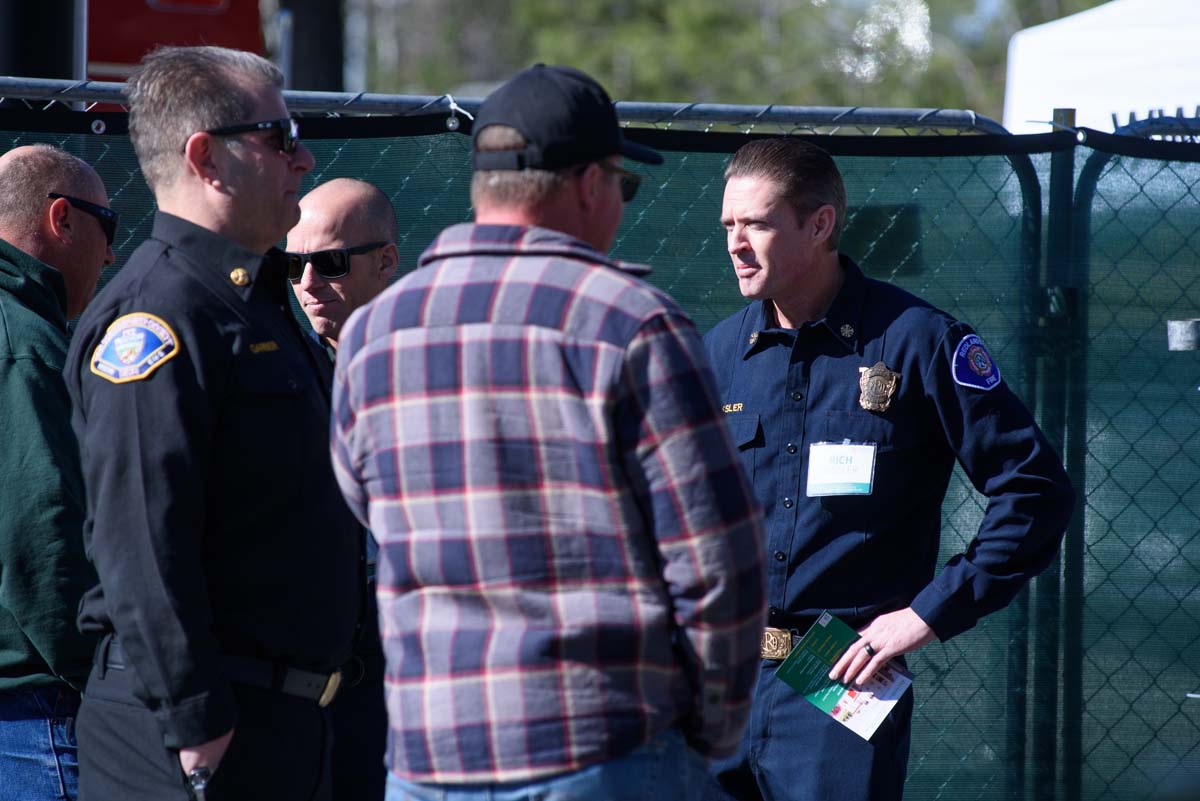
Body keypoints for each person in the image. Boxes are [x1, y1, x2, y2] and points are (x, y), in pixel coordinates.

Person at [330, 64, 766, 801]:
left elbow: (365, 510)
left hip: (430, 756)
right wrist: (711, 732)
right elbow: (717, 559)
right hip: (603, 747)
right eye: (623, 186)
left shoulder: (373, 333)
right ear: (590, 183)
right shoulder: (633, 323)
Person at [702, 137, 1075, 801]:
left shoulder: (919, 341)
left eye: (756, 223)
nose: (735, 242)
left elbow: (1034, 490)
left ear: (819, 225)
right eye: (728, 225)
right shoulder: (719, 353)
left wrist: (927, 612)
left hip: (833, 671)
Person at [63, 45, 363, 801]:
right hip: (195, 733)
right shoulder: (159, 314)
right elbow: (139, 536)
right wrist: (197, 723)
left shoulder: (251, 300)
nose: (305, 157)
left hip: (283, 723)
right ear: (206, 158)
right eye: (280, 137)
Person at [0, 143, 115, 801]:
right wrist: (88, 677)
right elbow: (40, 523)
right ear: (62, 218)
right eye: (110, 227)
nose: (110, 255)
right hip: (32, 706)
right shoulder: (26, 343)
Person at [286, 177, 399, 801]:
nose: (306, 283)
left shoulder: (435, 368)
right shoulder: (276, 367)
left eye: (327, 263)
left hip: (406, 672)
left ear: (385, 259)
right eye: (292, 263)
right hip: (305, 679)